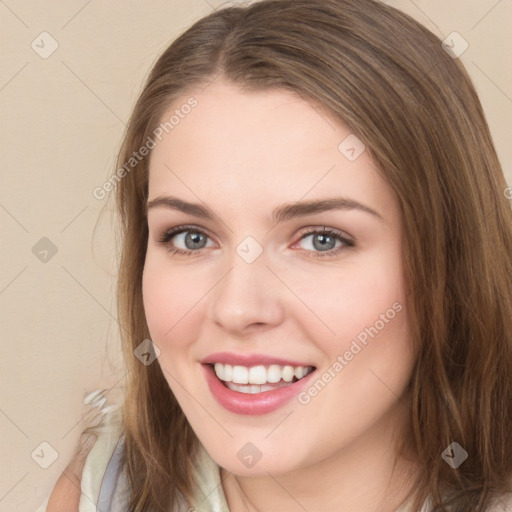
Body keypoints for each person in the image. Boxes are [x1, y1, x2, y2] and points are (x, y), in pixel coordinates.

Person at [37, 0, 512, 510]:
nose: (237, 308)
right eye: (191, 237)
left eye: (321, 239)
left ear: (450, 261)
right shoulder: (104, 486)